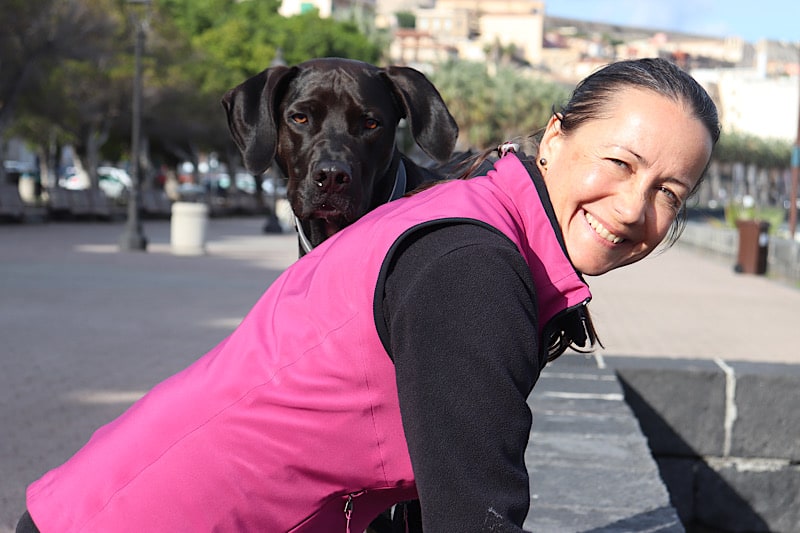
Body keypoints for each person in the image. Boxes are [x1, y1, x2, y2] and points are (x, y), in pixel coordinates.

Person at [17, 57, 719, 532]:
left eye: (668, 193)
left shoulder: (466, 217)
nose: (632, 208)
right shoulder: (472, 265)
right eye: (620, 163)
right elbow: (477, 515)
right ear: (556, 138)